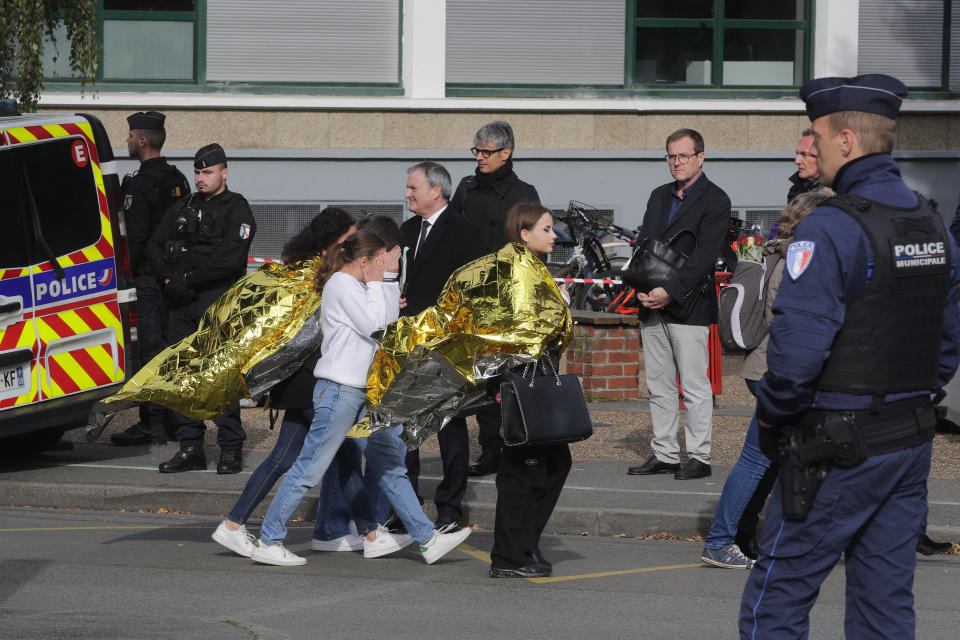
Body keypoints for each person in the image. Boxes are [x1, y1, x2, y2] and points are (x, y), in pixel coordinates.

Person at [740, 74, 960, 639]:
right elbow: (949, 331)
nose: (809, 147)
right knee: (883, 604)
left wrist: (771, 414)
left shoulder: (832, 227)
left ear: (845, 141)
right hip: (908, 440)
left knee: (778, 596)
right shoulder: (932, 222)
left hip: (835, 445)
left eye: (815, 135)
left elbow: (795, 355)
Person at [249, 231, 472, 567]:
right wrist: (387, 282)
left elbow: (388, 326)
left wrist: (389, 279)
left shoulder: (361, 285)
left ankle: (428, 539)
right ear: (365, 261)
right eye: (380, 261)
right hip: (339, 390)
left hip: (359, 392)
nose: (384, 267)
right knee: (310, 469)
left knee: (390, 466)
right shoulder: (341, 284)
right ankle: (269, 538)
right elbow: (375, 325)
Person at [212, 208, 384, 557]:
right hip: (309, 378)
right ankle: (369, 533)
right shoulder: (313, 275)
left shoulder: (318, 271)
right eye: (347, 239)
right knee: (336, 455)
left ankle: (234, 523)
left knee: (301, 457)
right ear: (330, 242)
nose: (352, 246)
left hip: (307, 378)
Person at [700, 191, 830, 569]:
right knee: (760, 459)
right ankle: (722, 540)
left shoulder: (782, 250)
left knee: (771, 458)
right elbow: (786, 317)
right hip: (779, 371)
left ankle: (737, 536)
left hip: (768, 369)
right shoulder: (799, 257)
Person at [147, 143, 256, 474]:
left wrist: (189, 278)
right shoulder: (184, 206)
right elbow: (155, 245)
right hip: (181, 303)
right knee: (182, 376)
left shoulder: (236, 208)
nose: (200, 178)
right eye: (197, 172)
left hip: (216, 300)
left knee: (219, 375)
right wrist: (169, 279)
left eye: (207, 172)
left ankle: (230, 448)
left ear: (224, 172)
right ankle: (190, 446)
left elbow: (231, 258)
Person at [627, 128, 730, 481]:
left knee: (694, 385)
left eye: (684, 156)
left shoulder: (716, 200)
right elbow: (645, 246)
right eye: (671, 156)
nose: (677, 162)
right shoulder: (659, 196)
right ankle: (665, 453)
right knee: (658, 384)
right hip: (650, 303)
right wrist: (643, 289)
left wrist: (669, 291)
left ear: (701, 157)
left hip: (689, 304)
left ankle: (699, 456)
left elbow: (704, 258)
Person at [400, 162, 488, 532]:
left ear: (437, 191)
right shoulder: (405, 231)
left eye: (413, 188)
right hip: (410, 343)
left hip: (448, 345)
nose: (407, 194)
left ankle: (450, 508)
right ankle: (404, 506)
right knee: (407, 428)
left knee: (451, 427)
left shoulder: (467, 233)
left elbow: (476, 291)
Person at [450, 121, 541, 477]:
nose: (480, 158)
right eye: (477, 151)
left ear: (506, 153)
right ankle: (490, 448)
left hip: (505, 297)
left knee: (508, 376)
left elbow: (529, 247)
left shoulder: (524, 192)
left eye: (486, 152)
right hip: (470, 295)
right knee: (478, 377)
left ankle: (515, 444)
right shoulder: (467, 188)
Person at [489, 204, 573, 579]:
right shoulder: (514, 271)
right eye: (547, 229)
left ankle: (525, 544)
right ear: (524, 233)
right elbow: (516, 331)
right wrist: (559, 308)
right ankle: (509, 556)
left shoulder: (534, 269)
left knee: (555, 463)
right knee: (523, 471)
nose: (554, 236)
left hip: (538, 379)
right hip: (521, 382)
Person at [110, 111, 190, 446]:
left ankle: (151, 424)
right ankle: (172, 420)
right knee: (172, 349)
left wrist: (139, 275)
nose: (127, 141)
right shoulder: (179, 179)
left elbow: (138, 240)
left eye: (130, 136)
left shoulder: (141, 184)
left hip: (149, 279)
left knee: (150, 352)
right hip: (177, 278)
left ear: (142, 140)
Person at [787, 129, 822, 203]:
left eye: (804, 154)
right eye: (797, 154)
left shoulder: (838, 192)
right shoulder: (795, 189)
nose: (797, 161)